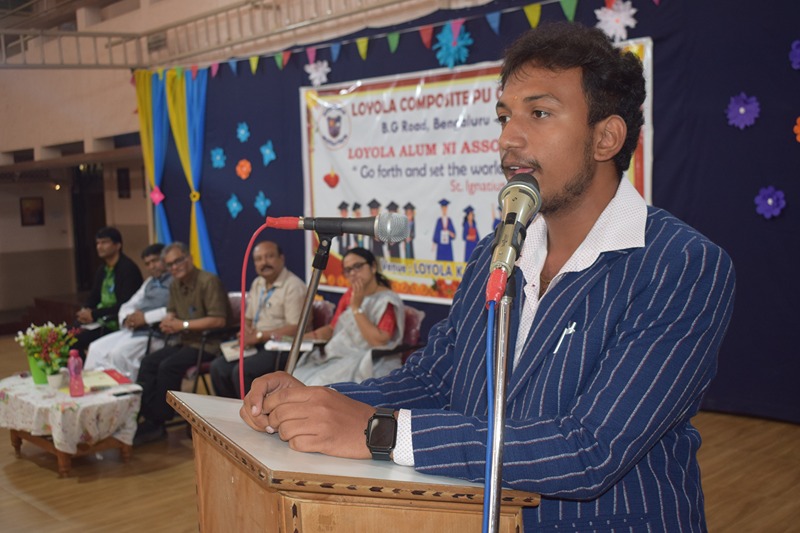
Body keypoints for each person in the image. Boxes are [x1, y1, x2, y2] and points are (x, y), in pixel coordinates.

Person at [240, 23, 736, 532]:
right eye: (504, 117)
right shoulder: (495, 255)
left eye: (539, 114)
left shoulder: (680, 265)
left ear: (605, 137)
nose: (507, 139)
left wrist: (380, 432)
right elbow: (433, 381)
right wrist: (313, 403)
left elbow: (591, 450)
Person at [134, 242, 231, 444]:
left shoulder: (208, 281)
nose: (175, 267)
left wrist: (182, 324)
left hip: (208, 343)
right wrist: (168, 321)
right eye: (170, 265)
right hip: (184, 340)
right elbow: (172, 311)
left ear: (190, 258)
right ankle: (148, 416)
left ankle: (159, 421)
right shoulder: (174, 285)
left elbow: (218, 320)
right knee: (148, 362)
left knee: (167, 366)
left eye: (178, 261)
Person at [291, 247, 405, 385]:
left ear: (373, 267)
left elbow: (379, 342)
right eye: (348, 270)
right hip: (340, 354)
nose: (353, 273)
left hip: (369, 359)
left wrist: (356, 308)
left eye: (357, 266)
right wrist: (301, 338)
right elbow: (333, 328)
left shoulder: (387, 300)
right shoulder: (350, 294)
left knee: (318, 383)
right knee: (296, 376)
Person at [210, 241, 306, 398]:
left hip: (281, 347)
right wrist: (245, 330)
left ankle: (252, 412)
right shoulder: (258, 283)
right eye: (259, 259)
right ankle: (231, 410)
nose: (264, 262)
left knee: (242, 371)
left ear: (281, 258)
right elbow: (248, 318)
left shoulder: (293, 286)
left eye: (269, 256)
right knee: (217, 367)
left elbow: (296, 328)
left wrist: (259, 336)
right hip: (256, 344)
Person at [84, 243, 172, 381]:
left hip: (157, 333)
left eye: (155, 261)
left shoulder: (175, 281)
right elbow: (129, 304)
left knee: (119, 354)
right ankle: (93, 388)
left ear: (165, 259)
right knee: (96, 349)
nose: (151, 266)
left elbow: (174, 310)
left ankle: (128, 392)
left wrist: (145, 318)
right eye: (147, 264)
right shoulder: (149, 282)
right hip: (135, 329)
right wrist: (127, 318)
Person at [73, 227, 144, 358]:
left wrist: (94, 314)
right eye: (97, 243)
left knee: (76, 339)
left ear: (118, 245)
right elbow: (94, 296)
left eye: (104, 242)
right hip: (99, 318)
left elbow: (125, 305)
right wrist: (85, 310)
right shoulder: (103, 269)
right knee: (68, 333)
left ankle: (81, 369)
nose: (99, 247)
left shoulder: (128, 269)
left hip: (114, 322)